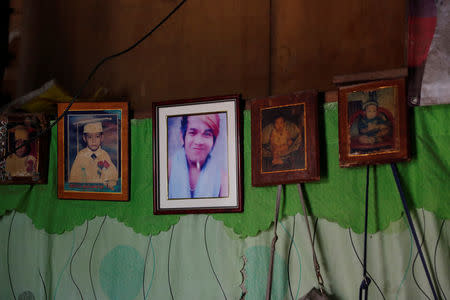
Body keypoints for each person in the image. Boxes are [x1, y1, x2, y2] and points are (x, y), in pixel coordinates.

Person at [168, 114, 228, 199]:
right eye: (192, 133)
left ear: (214, 141)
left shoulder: (223, 180)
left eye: (207, 134)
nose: (199, 141)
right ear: (182, 137)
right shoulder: (167, 170)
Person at [68, 121, 118, 189]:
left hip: (100, 189)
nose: (93, 141)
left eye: (97, 137)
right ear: (84, 138)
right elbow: (74, 177)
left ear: (102, 138)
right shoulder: (81, 155)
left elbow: (111, 172)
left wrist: (110, 181)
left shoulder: (104, 155)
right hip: (86, 189)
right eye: (90, 137)